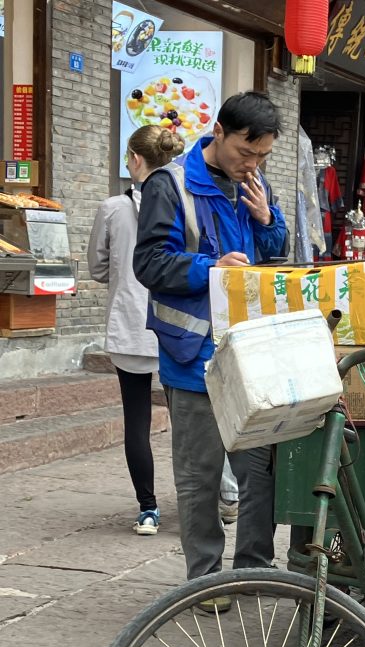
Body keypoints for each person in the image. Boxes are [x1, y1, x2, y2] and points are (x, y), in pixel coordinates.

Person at [133, 91, 288, 610]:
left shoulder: (254, 182)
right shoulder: (170, 185)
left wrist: (269, 221)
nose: (253, 164)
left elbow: (276, 254)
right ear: (219, 131)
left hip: (252, 350)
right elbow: (150, 264)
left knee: (260, 468)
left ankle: (253, 568)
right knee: (200, 476)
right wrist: (211, 269)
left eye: (263, 156)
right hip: (192, 351)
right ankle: (205, 580)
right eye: (247, 151)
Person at [87, 125, 185, 536]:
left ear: (135, 159)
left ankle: (148, 509)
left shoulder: (113, 208)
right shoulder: (185, 203)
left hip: (131, 326)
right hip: (181, 329)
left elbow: (96, 267)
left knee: (137, 420)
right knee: (193, 422)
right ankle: (219, 499)